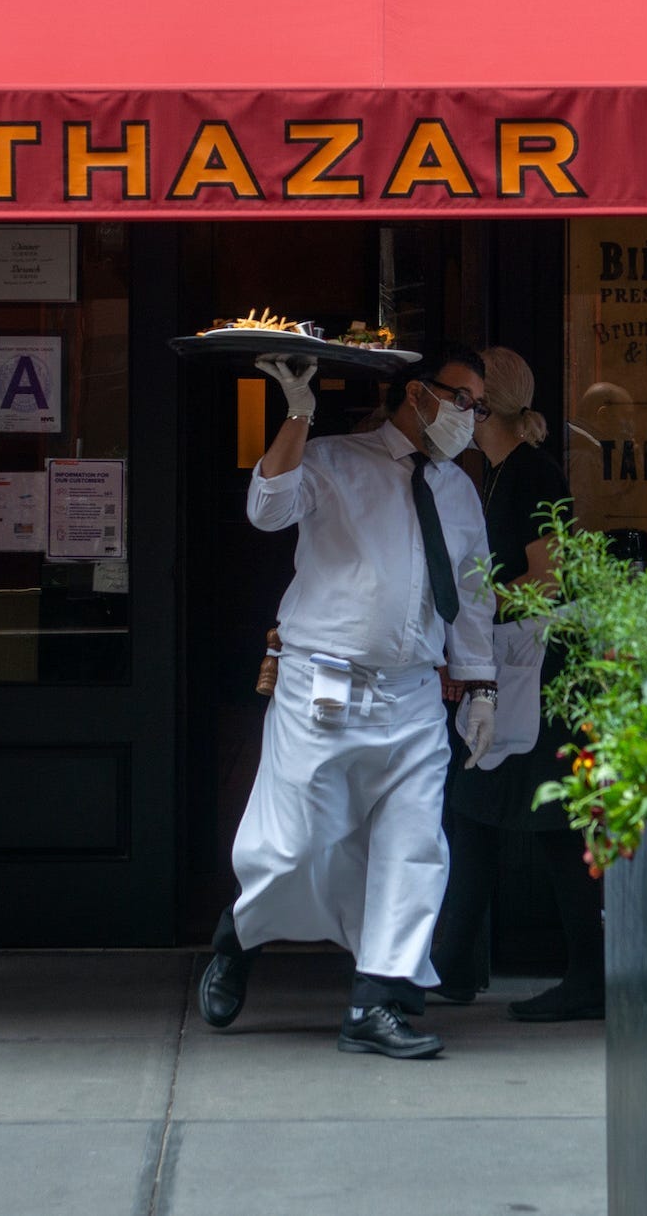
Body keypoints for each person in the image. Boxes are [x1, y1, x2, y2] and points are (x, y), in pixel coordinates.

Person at [200, 345, 497, 1060]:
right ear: (418, 395)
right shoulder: (334, 459)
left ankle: (378, 1001)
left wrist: (481, 683)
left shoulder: (456, 488)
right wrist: (298, 416)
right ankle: (239, 935)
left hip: (415, 693)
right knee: (295, 844)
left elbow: (474, 592)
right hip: (323, 685)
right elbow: (266, 508)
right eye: (463, 400)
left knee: (414, 844)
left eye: (480, 407)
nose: (471, 417)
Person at [430, 348, 606, 1022]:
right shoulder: (501, 474)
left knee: (555, 823)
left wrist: (477, 608)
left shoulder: (530, 474)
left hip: (542, 673)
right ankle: (453, 965)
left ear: (481, 406)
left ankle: (587, 976)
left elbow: (549, 579)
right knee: (475, 805)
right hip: (520, 668)